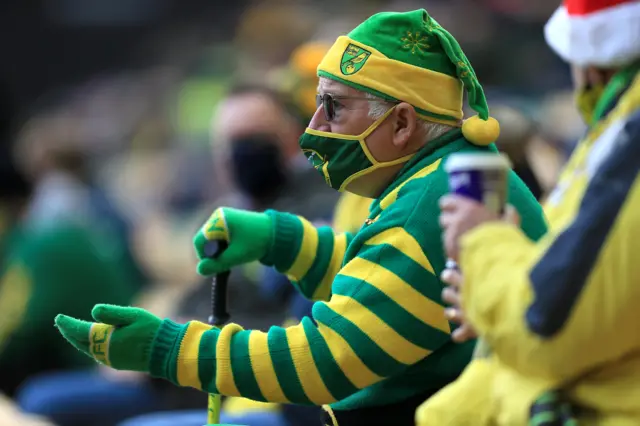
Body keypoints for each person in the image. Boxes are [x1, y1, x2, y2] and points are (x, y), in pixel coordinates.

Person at [54, 9, 547, 426]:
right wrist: (281, 238)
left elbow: (323, 360)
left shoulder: (427, 203)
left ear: (401, 123)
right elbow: (381, 284)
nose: (313, 130)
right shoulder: (437, 177)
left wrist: (167, 349)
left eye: (333, 108)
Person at [416, 0, 640, 424]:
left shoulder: (631, 137)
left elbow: (545, 330)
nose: (320, 124)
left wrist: (482, 243)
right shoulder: (613, 129)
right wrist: (492, 301)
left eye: (334, 105)